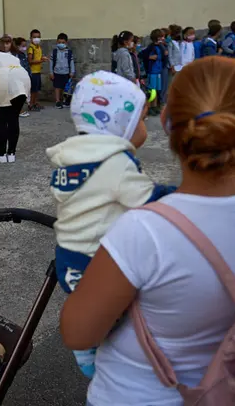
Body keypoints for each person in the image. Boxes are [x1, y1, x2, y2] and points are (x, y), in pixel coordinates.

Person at [59, 56, 235, 406]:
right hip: (231, 387)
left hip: (137, 395)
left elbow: (78, 332)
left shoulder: (144, 229)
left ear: (166, 122)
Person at [48, 70, 173, 379]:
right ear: (122, 127)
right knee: (121, 314)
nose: (146, 126)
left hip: (69, 256)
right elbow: (148, 200)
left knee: (96, 310)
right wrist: (182, 196)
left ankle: (90, 349)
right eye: (141, 120)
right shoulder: (114, 164)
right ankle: (96, 357)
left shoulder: (73, 158)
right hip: (99, 259)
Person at [0, 40, 31, 163]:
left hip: (6, 78)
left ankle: (2, 155)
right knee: (14, 118)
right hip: (24, 78)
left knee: (2, 119)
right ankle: (11, 154)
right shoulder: (11, 56)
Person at [142, 29, 167, 115]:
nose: (163, 38)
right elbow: (142, 55)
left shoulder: (161, 46)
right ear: (157, 38)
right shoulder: (151, 47)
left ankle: (155, 106)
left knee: (156, 90)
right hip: (152, 71)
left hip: (158, 71)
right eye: (161, 37)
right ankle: (150, 107)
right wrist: (149, 57)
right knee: (152, 90)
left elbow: (164, 56)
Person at [50, 33, 76, 109]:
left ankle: (65, 101)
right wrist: (51, 73)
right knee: (57, 87)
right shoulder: (54, 52)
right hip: (56, 73)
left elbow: (71, 62)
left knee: (66, 88)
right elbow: (51, 63)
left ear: (66, 43)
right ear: (57, 42)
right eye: (59, 42)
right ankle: (57, 101)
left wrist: (72, 72)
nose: (61, 44)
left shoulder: (69, 52)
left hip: (66, 73)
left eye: (63, 42)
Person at [27, 29, 48, 112]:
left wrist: (42, 58)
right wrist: (41, 61)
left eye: (38, 37)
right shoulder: (31, 48)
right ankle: (31, 104)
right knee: (33, 90)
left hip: (38, 71)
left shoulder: (38, 47)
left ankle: (35, 102)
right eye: (34, 37)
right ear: (31, 38)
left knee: (37, 89)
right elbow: (30, 61)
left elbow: (37, 58)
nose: (36, 39)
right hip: (33, 72)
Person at [14, 37, 32, 117]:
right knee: (19, 95)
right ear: (17, 46)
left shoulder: (23, 55)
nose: (24, 48)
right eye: (22, 46)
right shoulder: (16, 55)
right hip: (19, 77)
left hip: (25, 77)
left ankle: (20, 110)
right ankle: (19, 111)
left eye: (25, 46)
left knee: (23, 95)